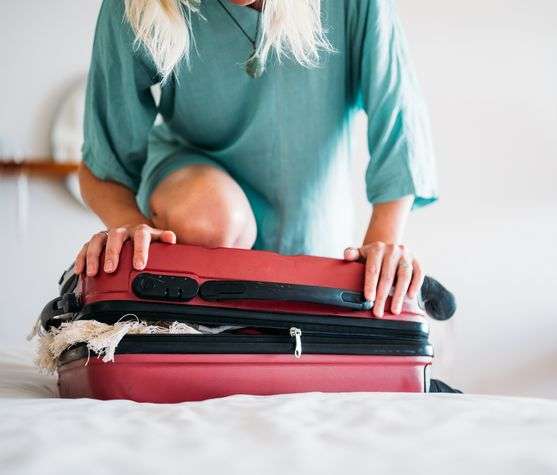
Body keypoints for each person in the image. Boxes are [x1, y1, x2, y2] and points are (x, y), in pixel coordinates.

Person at [75, 0, 438, 319]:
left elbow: (397, 119)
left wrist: (382, 246)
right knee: (210, 217)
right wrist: (135, 237)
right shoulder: (134, 6)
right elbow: (104, 164)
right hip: (192, 192)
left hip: (312, 222)